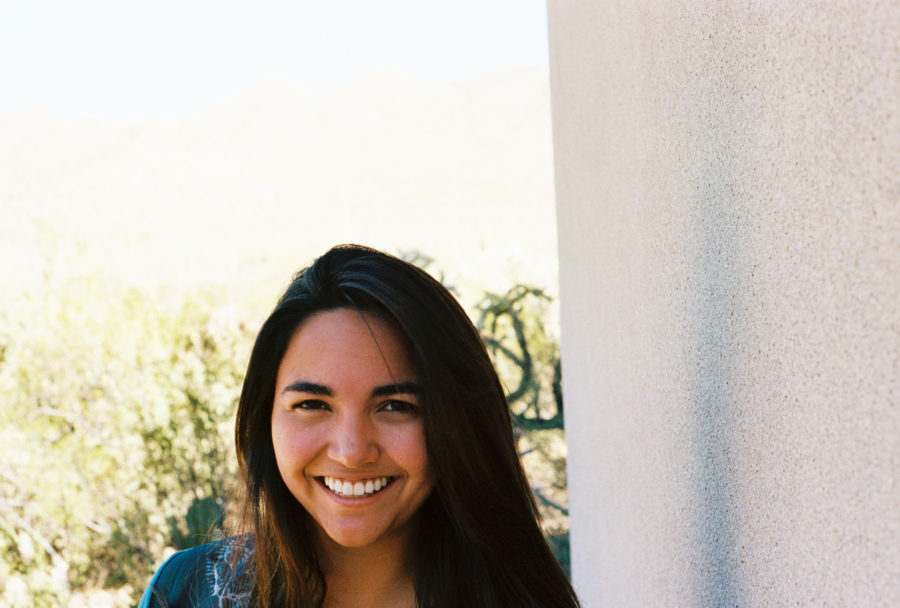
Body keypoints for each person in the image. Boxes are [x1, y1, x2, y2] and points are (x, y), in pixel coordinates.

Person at [139, 244, 581, 608]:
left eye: (394, 406)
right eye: (312, 404)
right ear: (265, 417)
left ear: (456, 424)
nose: (351, 452)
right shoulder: (185, 593)